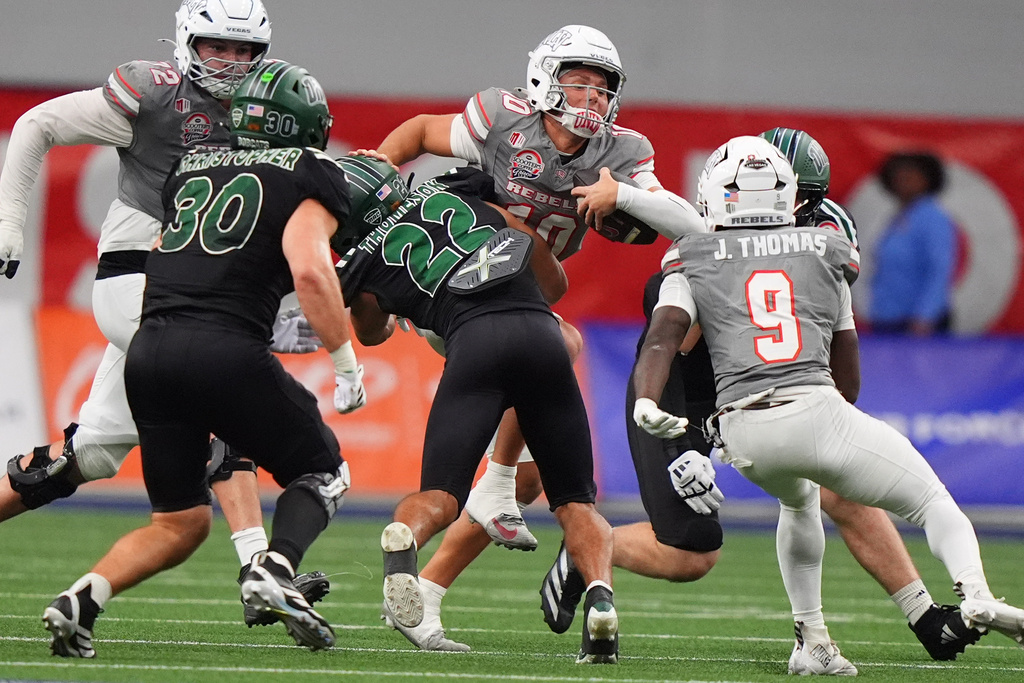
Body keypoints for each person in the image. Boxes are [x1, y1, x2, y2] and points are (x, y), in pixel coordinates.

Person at [542, 128, 980, 662]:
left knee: (838, 489)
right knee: (690, 552)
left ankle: (918, 616)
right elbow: (671, 336)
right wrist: (690, 441)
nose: (793, 211)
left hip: (770, 387)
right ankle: (589, 546)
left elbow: (827, 337)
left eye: (805, 202)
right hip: (683, 392)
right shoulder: (705, 245)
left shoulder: (822, 230)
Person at [0, 0, 353, 626]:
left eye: (245, 51)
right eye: (219, 47)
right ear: (187, 42)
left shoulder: (259, 114)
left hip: (183, 289)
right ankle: (258, 567)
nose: (233, 62)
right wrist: (9, 226)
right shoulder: (154, 93)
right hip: (141, 280)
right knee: (218, 392)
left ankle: (105, 585)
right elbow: (36, 126)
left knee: (91, 456)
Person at [369, 24, 703, 650]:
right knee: (565, 347)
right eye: (580, 83)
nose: (592, 101)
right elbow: (416, 131)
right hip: (459, 293)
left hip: (528, 293)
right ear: (545, 79)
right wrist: (377, 181)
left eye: (603, 91)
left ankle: (429, 595)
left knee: (532, 479)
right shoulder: (502, 119)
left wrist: (623, 192)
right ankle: (494, 487)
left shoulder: (622, 153)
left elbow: (694, 228)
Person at [333, 155, 619, 663]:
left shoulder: (362, 261)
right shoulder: (463, 193)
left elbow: (370, 334)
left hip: (475, 345)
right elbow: (548, 276)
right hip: (540, 335)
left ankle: (408, 538)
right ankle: (601, 601)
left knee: (440, 497)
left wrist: (395, 301)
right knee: (577, 503)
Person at [868, 152, 957, 335]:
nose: (902, 181)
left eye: (909, 177)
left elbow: (939, 269)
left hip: (916, 324)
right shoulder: (900, 216)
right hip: (888, 318)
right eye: (898, 177)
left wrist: (925, 317)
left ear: (927, 180)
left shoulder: (932, 217)